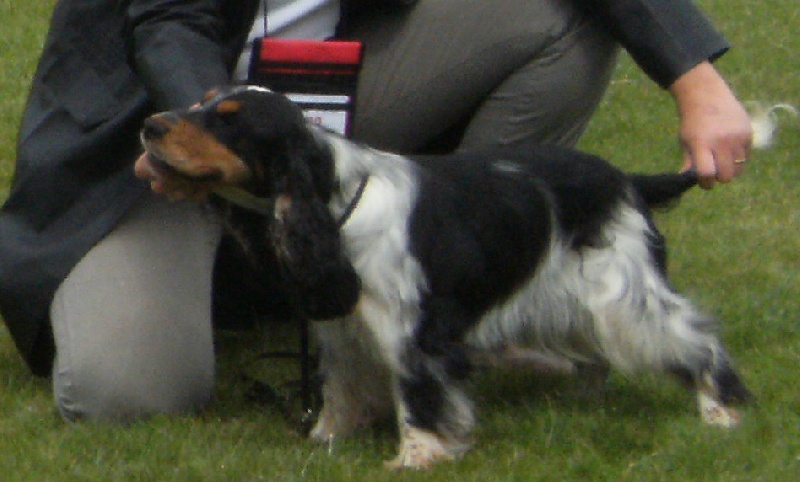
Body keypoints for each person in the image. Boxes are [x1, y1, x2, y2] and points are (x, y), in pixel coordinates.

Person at [0, 0, 752, 423]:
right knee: (124, 396)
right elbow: (170, 18)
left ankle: (459, 297)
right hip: (152, 134)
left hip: (327, 111)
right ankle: (252, 276)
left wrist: (695, 78)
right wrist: (202, 141)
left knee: (560, 27)